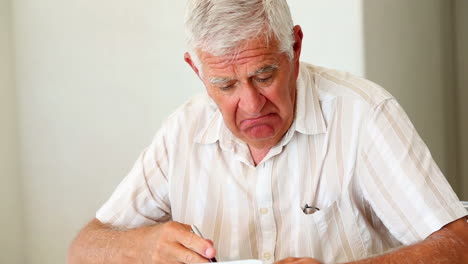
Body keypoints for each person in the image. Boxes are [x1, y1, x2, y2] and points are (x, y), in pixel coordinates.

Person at [67, 0, 468, 263]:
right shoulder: (183, 130)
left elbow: (458, 243)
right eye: (225, 85)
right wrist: (144, 247)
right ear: (197, 70)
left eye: (264, 75)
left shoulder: (364, 114)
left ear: (294, 48)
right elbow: (83, 248)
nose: (252, 104)